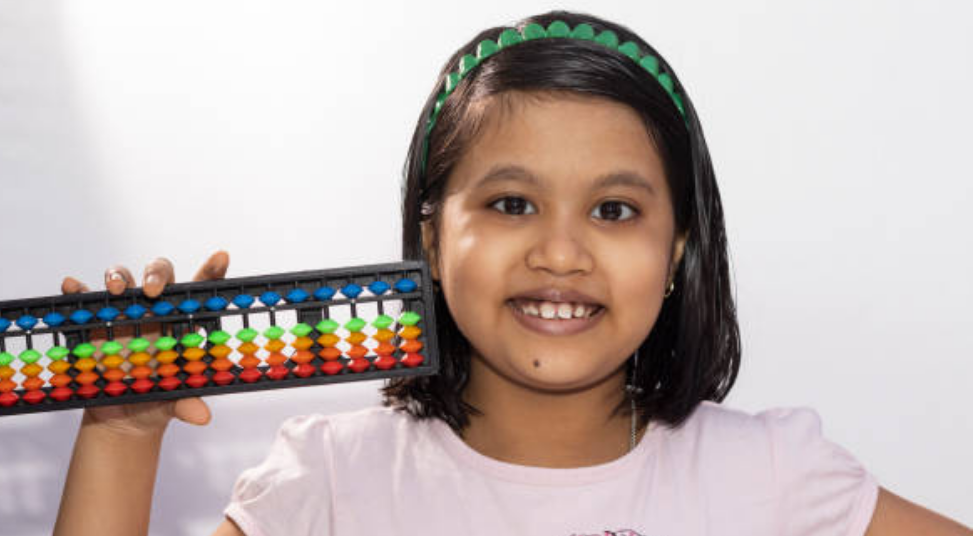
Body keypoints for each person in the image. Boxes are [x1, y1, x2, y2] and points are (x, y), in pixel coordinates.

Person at [52, 10, 971, 536]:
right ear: (430, 236)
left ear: (679, 248)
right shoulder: (331, 478)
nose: (559, 253)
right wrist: (124, 439)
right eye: (510, 204)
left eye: (614, 211)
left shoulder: (773, 478)